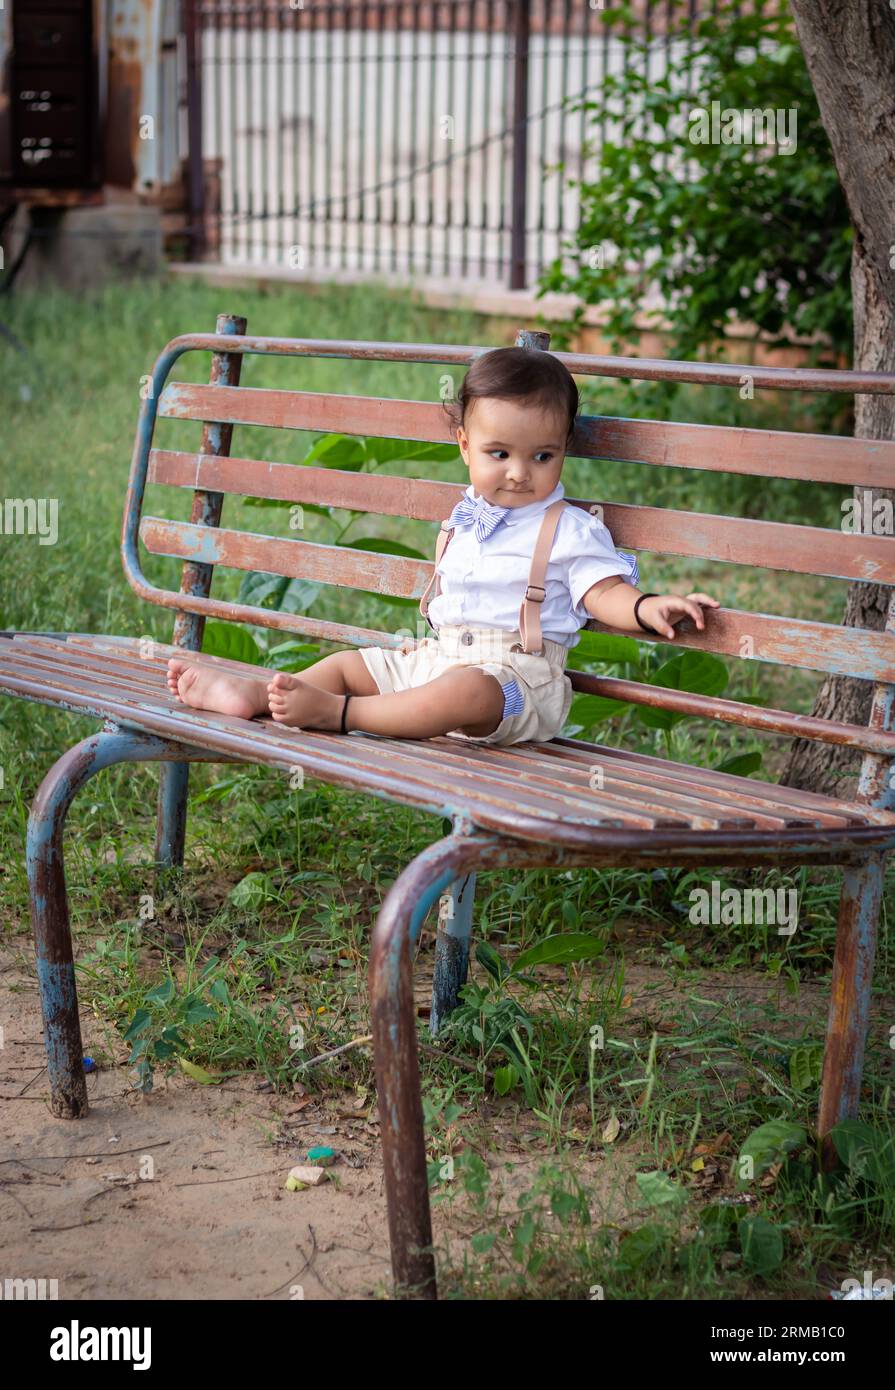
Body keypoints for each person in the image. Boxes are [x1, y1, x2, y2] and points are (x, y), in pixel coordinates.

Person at [166, 346, 718, 745]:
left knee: (465, 693)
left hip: (512, 682)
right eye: (499, 454)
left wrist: (645, 608)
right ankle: (257, 696)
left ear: (563, 450)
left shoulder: (570, 529)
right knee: (350, 662)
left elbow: (603, 594)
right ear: (465, 446)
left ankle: (340, 714)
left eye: (542, 456)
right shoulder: (466, 517)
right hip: (437, 659)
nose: (521, 473)